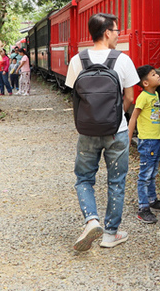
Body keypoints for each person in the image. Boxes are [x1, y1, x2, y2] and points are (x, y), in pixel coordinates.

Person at [65, 13, 139, 251]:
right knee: (116, 181)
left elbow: (74, 96)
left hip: (87, 132)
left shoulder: (78, 60)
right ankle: (110, 234)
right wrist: (116, 115)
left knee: (84, 179)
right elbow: (129, 97)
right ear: (107, 33)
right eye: (116, 31)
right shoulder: (123, 60)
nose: (118, 35)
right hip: (116, 131)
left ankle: (91, 221)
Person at [128, 65, 160, 224]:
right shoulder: (143, 97)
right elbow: (133, 117)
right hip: (147, 141)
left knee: (152, 173)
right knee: (145, 175)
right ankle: (143, 208)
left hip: (156, 140)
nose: (158, 75)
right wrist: (128, 137)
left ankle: (153, 200)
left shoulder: (156, 95)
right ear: (145, 83)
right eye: (154, 74)